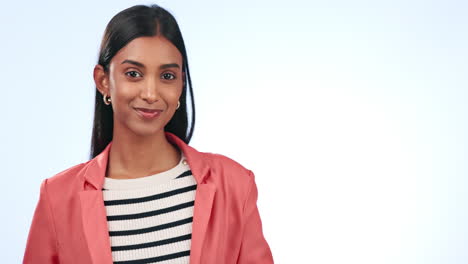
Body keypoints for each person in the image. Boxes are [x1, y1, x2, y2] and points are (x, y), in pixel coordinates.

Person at [22, 4, 274, 264]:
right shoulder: (57, 198)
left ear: (181, 85)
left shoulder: (233, 184)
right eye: (133, 74)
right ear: (103, 81)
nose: (151, 93)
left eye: (167, 75)